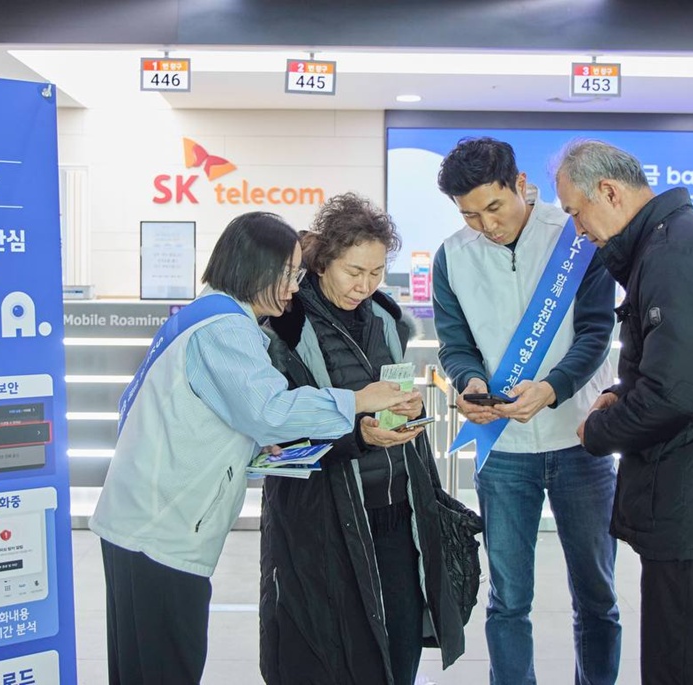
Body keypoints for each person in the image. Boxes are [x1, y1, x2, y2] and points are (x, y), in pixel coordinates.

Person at [89, 211, 414, 685]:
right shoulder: (225, 328)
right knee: (164, 666)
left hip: (141, 522)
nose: (293, 288)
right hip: (161, 530)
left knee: (140, 666)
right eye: (288, 275)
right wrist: (359, 400)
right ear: (252, 269)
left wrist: (259, 446)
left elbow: (231, 416)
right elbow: (268, 410)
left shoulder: (206, 314)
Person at [553, 139, 693, 685]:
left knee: (682, 667)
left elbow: (674, 395)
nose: (578, 230)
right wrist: (624, 392)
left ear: (609, 191)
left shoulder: (675, 255)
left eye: (577, 212)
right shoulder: (683, 242)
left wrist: (598, 429)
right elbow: (689, 370)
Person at [259, 193, 476, 685]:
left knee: (399, 652)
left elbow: (390, 393)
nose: (365, 285)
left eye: (376, 272)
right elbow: (277, 435)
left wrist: (409, 409)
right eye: (353, 271)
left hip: (399, 513)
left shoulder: (386, 318)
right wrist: (357, 436)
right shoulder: (285, 326)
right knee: (335, 654)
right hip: (325, 521)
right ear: (322, 262)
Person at [433, 137, 622, 684]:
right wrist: (469, 381)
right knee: (508, 601)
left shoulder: (576, 236)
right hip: (504, 450)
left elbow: (595, 331)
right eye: (470, 215)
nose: (487, 225)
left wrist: (553, 388)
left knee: (597, 596)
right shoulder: (452, 256)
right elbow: (455, 343)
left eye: (494, 207)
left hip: (580, 440)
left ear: (520, 184)